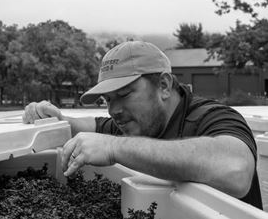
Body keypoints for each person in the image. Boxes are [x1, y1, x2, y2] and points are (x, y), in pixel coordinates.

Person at [23, 41, 262, 209]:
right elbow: (85, 127)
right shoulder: (133, 124)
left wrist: (114, 148)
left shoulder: (213, 117)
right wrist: (55, 118)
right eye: (108, 100)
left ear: (164, 86)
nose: (113, 110)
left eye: (124, 94)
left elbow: (236, 170)